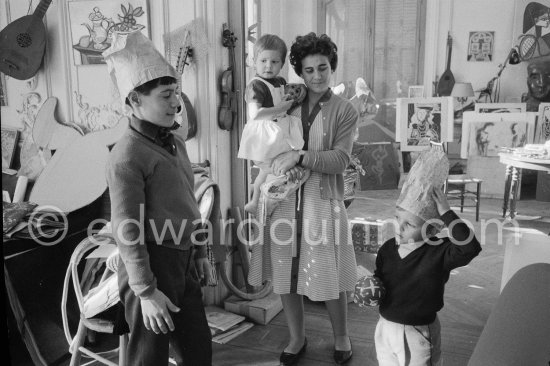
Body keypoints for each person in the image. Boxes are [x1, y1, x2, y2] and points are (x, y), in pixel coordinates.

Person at [248, 32, 359, 365]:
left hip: (321, 201)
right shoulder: (287, 99)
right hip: (282, 200)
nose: (316, 77)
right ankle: (296, 338)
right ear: (300, 71)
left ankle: (341, 336)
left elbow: (340, 160)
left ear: (331, 66)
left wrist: (300, 156)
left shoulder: (345, 110)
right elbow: (263, 137)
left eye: (322, 68)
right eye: (309, 70)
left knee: (329, 272)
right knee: (285, 273)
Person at [103, 31, 212, 365]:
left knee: (198, 351)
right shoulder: (127, 156)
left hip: (181, 263)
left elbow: (188, 205)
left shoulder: (174, 142)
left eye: (176, 93)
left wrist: (199, 254)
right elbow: (126, 229)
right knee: (148, 358)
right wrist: (147, 292)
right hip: (149, 269)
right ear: (135, 101)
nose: (176, 103)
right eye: (166, 96)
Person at [373, 151, 482, 366]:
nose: (400, 228)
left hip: (419, 333)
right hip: (385, 327)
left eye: (410, 224)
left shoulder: (440, 252)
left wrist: (447, 213)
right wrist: (372, 288)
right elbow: (380, 276)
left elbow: (469, 247)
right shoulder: (388, 248)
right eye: (397, 218)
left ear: (432, 229)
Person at [237, 34, 308, 217]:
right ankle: (261, 201)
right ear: (254, 61)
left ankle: (257, 202)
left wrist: (296, 95)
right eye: (263, 61)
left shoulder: (279, 81)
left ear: (282, 63)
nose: (268, 66)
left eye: (274, 62)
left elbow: (287, 97)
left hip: (278, 130)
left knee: (272, 168)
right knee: (270, 168)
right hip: (265, 134)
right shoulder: (255, 86)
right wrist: (279, 108)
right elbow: (255, 114)